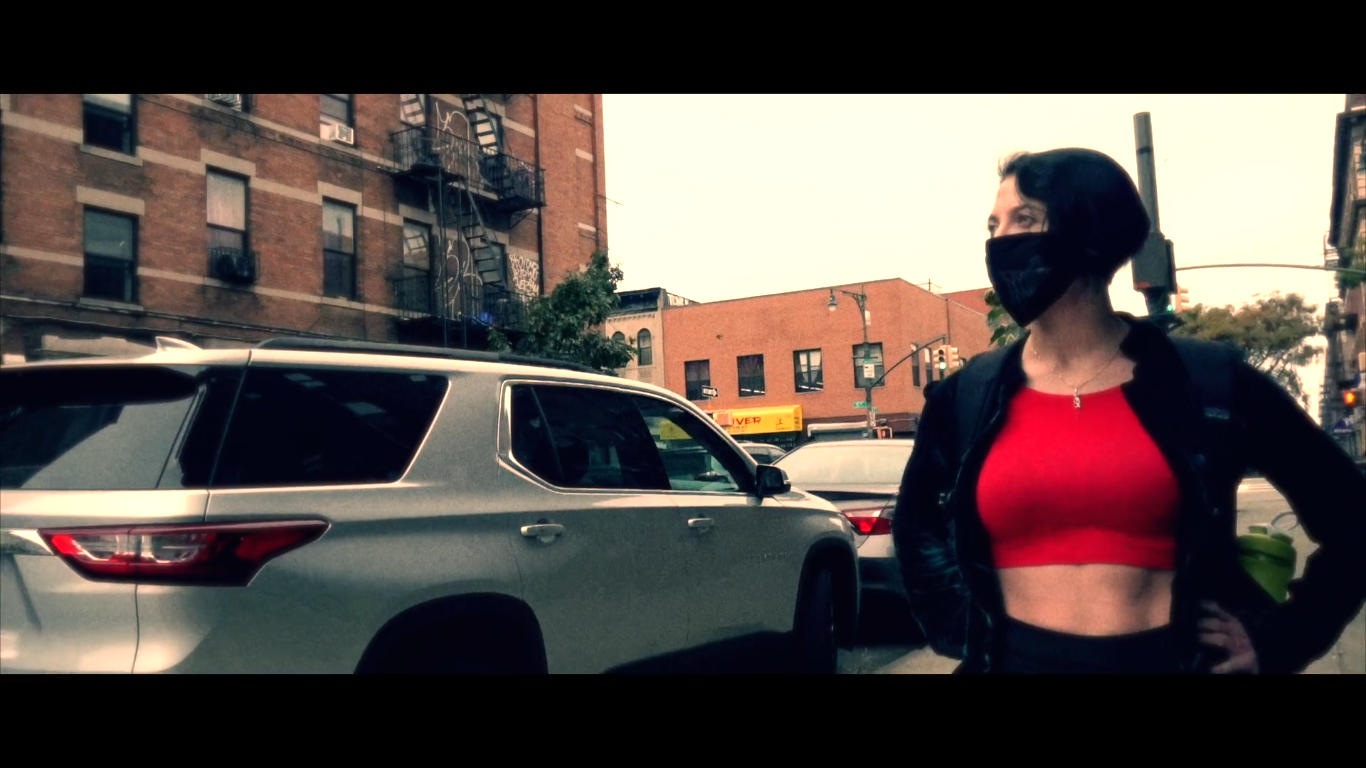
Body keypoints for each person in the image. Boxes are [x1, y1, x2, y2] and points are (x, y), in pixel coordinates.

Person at [892, 147, 1366, 674]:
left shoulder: (1207, 383)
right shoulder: (969, 394)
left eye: (1024, 219)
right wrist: (962, 626)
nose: (1000, 242)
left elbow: (1353, 517)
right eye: (992, 225)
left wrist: (1279, 640)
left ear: (1091, 230)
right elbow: (916, 525)